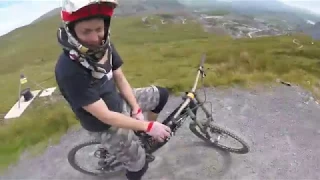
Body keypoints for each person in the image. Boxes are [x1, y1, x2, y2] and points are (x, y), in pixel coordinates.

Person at [54, 0, 172, 179]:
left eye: (99, 29)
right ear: (71, 31)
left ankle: (146, 136)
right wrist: (147, 125)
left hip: (117, 101)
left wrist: (137, 109)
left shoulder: (104, 46)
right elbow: (105, 116)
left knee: (161, 95)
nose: (95, 38)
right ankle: (139, 147)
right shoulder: (69, 70)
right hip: (104, 124)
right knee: (139, 166)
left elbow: (119, 77)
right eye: (86, 31)